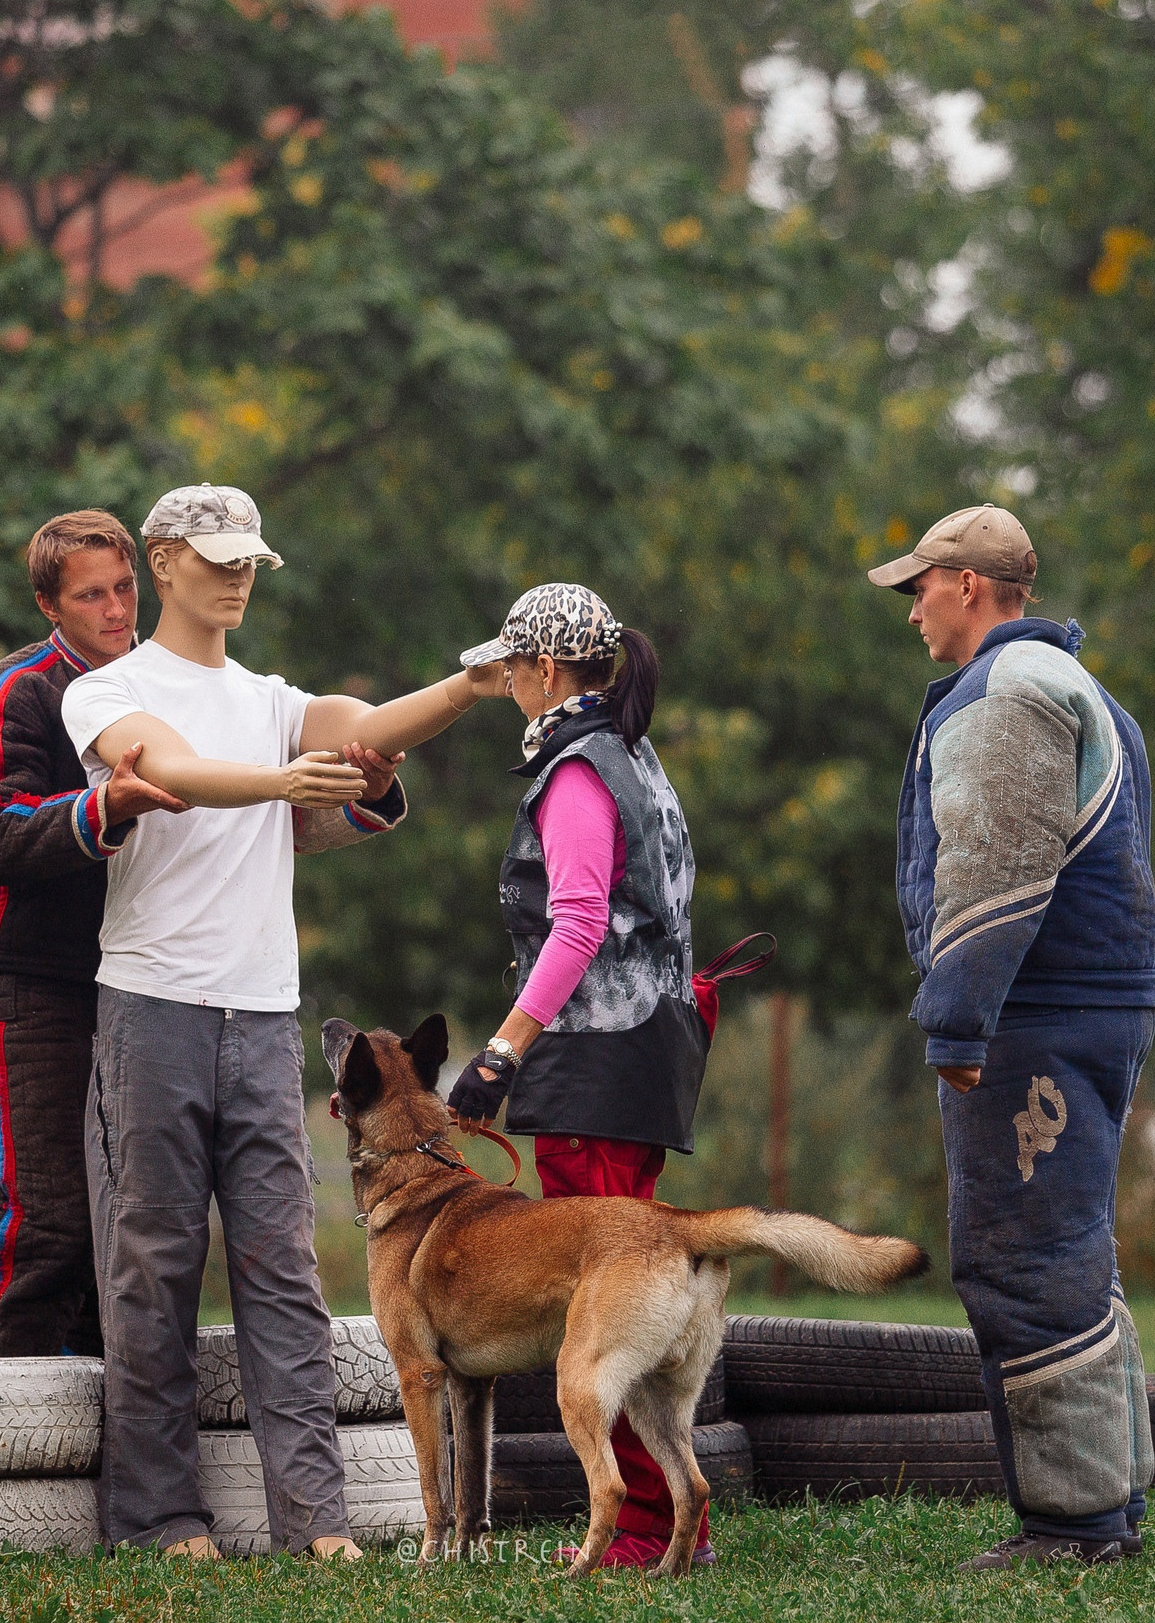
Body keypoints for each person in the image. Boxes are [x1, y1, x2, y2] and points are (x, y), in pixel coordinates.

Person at [58, 483, 496, 1561]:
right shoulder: (109, 690)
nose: (239, 576)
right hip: (150, 1010)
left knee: (284, 1276)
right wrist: (281, 781)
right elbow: (167, 771)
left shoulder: (270, 697)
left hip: (262, 1018)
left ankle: (316, 1521)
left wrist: (469, 685)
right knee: (151, 1272)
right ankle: (162, 1518)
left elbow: (368, 728)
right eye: (219, 559)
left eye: (250, 560)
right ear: (164, 560)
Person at [869, 504, 1155, 1570]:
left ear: (965, 584)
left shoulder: (1005, 691)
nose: (912, 611)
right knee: (1070, 1245)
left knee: (1022, 1257)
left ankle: (1072, 1527)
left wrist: (957, 1017)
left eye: (918, 588)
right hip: (1094, 1003)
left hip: (1034, 1014)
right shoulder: (1078, 684)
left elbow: (993, 869)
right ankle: (1111, 1503)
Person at [440, 582, 713, 1570]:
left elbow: (579, 924)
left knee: (607, 1306)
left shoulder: (575, 772)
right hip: (648, 1050)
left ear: (547, 670)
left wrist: (501, 1051)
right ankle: (669, 1521)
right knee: (630, 1288)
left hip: (596, 1060)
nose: (509, 683)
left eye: (514, 667)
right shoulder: (634, 755)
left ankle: (641, 1531)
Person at [0, 509, 190, 1359]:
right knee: (44, 1224)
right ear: (48, 604)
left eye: (125, 587)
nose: (117, 609)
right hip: (31, 988)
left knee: (123, 1233)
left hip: (145, 985)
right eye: (92, 595)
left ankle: (96, 1435)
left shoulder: (170, 686)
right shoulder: (14, 693)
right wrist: (100, 807)